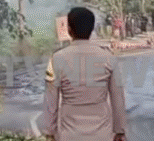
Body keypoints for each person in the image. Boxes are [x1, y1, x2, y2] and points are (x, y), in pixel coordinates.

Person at [43, 7, 127, 141]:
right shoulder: (109, 58)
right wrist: (120, 131)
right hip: (102, 135)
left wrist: (50, 133)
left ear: (69, 30)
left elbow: (50, 102)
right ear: (92, 29)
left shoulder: (56, 59)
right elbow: (118, 100)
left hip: (70, 135)